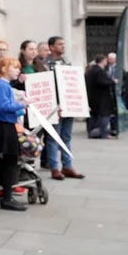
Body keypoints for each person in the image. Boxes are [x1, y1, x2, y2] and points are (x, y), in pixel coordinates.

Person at [0, 57, 29, 211]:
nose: (18, 71)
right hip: (3, 127)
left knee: (10, 161)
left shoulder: (4, 85)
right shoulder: (2, 85)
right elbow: (3, 106)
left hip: (5, 125)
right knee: (11, 161)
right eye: (15, 68)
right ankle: (6, 198)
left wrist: (20, 110)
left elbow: (5, 108)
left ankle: (7, 196)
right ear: (5, 69)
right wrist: (21, 105)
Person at [44, 36, 85, 180]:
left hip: (68, 105)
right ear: (51, 47)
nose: (63, 46)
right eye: (60, 44)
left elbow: (73, 84)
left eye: (64, 44)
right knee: (53, 138)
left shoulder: (67, 62)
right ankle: (54, 168)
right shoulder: (45, 64)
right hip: (54, 107)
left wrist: (80, 103)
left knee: (66, 137)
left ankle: (67, 166)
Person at [87, 53, 116, 139]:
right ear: (102, 61)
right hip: (102, 97)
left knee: (94, 116)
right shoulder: (99, 71)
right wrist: (112, 82)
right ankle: (103, 133)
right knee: (104, 116)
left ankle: (93, 133)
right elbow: (102, 82)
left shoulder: (91, 70)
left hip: (93, 97)